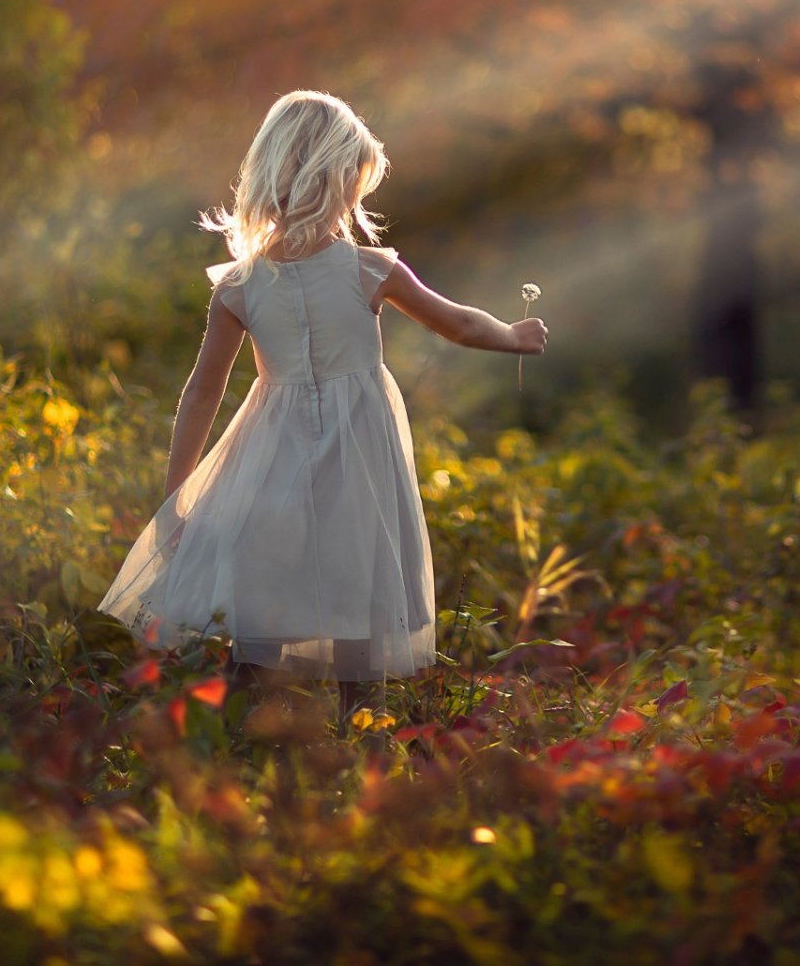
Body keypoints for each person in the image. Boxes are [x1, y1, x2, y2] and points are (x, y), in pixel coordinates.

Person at [98, 90, 548, 717]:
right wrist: (513, 335)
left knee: (269, 588)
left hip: (270, 457)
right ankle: (358, 730)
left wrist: (180, 496)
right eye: (352, 186)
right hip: (359, 453)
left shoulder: (241, 284)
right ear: (332, 178)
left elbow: (203, 389)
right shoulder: (369, 270)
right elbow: (460, 325)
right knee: (358, 585)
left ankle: (250, 728)